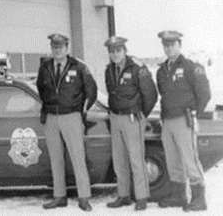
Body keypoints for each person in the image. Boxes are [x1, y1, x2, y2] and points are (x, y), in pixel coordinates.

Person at [36, 33, 97, 212]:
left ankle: (84, 197)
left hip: (71, 116)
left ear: (66, 48)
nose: (57, 50)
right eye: (54, 47)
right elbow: (41, 88)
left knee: (78, 158)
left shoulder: (79, 67)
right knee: (56, 159)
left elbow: (91, 90)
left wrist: (83, 109)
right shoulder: (45, 67)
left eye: (60, 47)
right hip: (51, 117)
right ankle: (59, 196)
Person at [156, 30, 211, 212]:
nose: (168, 48)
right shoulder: (162, 70)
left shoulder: (190, 67)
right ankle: (178, 196)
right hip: (168, 120)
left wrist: (195, 113)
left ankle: (198, 198)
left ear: (179, 45)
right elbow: (164, 94)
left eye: (172, 44)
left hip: (184, 119)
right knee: (173, 160)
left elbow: (204, 94)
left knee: (189, 159)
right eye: (166, 45)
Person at [103, 36, 158, 211]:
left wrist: (142, 114)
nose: (115, 54)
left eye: (118, 50)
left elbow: (151, 94)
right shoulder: (109, 70)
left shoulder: (137, 68)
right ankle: (124, 195)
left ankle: (141, 196)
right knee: (119, 160)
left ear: (124, 50)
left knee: (136, 159)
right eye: (111, 51)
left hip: (132, 118)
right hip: (116, 117)